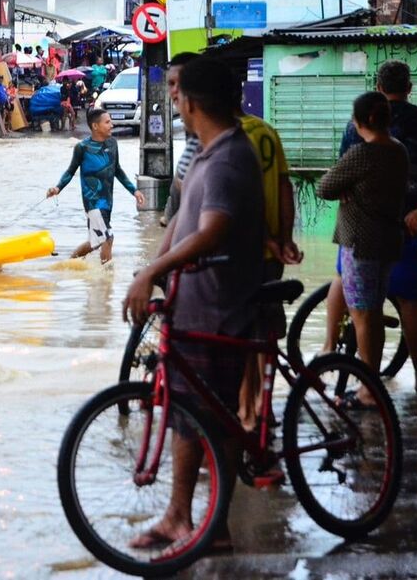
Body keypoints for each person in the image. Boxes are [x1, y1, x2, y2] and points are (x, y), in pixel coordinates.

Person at [122, 56, 265, 551]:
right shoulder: (206, 153)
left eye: (178, 95)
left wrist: (155, 271)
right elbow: (181, 224)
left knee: (212, 418)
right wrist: (152, 270)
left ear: (190, 101)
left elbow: (212, 231)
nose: (175, 102)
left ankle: (212, 525)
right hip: (192, 305)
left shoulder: (228, 158)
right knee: (186, 413)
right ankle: (179, 517)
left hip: (219, 306)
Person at [324, 60, 417, 393]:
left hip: (362, 232)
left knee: (349, 288)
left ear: (378, 86)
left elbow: (336, 178)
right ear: (409, 88)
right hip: (408, 226)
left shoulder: (357, 128)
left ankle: (328, 349)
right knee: (411, 300)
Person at [316, 92, 409, 401]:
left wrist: (345, 186)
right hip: (388, 242)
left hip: (360, 244)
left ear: (358, 123)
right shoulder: (399, 152)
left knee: (362, 318)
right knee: (372, 312)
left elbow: (325, 187)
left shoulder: (361, 154)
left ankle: (369, 389)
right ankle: (372, 381)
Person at [235, 95, 303, 429]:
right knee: (268, 334)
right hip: (271, 253)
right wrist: (285, 237)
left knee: (243, 335)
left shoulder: (225, 137)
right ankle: (266, 404)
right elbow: (283, 186)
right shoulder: (267, 131)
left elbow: (242, 198)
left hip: (242, 253)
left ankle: (248, 407)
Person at [47, 108, 145, 264]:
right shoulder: (82, 148)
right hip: (92, 202)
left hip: (107, 201)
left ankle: (68, 264)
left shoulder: (112, 144)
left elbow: (117, 170)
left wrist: (134, 191)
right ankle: (106, 277)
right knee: (108, 237)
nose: (112, 125)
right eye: (107, 122)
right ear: (95, 126)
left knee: (96, 241)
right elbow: (70, 171)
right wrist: (58, 188)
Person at [163, 52, 202, 224]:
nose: (175, 91)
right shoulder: (194, 142)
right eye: (171, 84)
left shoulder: (224, 147)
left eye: (182, 84)